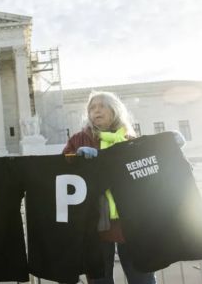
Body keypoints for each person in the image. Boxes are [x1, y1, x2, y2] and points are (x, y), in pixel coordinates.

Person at [63, 91, 157, 284]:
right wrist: (76, 159)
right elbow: (62, 169)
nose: (96, 111)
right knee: (100, 278)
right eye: (92, 108)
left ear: (114, 110)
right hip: (95, 219)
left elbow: (149, 168)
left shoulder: (130, 139)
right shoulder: (79, 139)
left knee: (142, 274)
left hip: (131, 218)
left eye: (101, 106)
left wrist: (168, 145)